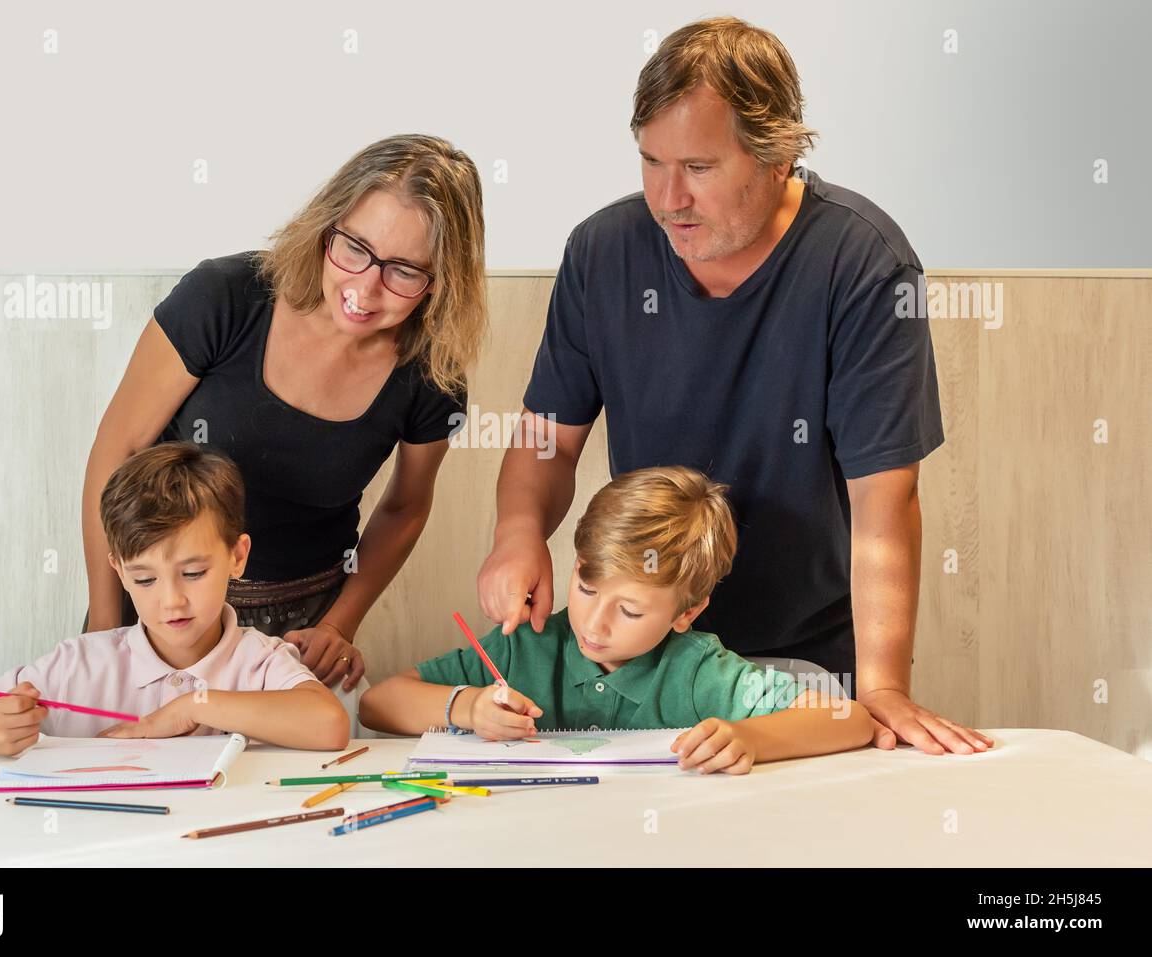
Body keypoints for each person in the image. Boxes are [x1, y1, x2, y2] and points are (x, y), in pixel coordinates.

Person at [476, 17, 992, 756]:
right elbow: (546, 441)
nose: (668, 197)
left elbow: (886, 499)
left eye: (699, 167)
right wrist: (518, 531)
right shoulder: (603, 251)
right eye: (651, 162)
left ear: (778, 154)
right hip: (647, 652)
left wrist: (881, 687)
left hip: (803, 663)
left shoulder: (862, 264)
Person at [82, 134, 487, 692]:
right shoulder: (224, 298)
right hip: (157, 607)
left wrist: (338, 626)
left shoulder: (431, 376)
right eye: (354, 249)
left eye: (404, 270)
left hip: (298, 631)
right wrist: (105, 635)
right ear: (326, 228)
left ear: (442, 281)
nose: (365, 288)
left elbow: (405, 508)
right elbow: (117, 452)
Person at [362, 466, 874, 774]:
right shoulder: (526, 646)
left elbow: (850, 718)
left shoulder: (697, 672)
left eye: (629, 610)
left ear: (687, 613)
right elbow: (377, 704)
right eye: (585, 586)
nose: (594, 624)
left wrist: (751, 739)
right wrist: (469, 707)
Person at [0, 443, 350, 755]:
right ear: (119, 572)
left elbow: (329, 725)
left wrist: (191, 706)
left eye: (193, 573)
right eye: (144, 580)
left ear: (237, 557)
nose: (172, 601)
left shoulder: (261, 660)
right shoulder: (82, 664)